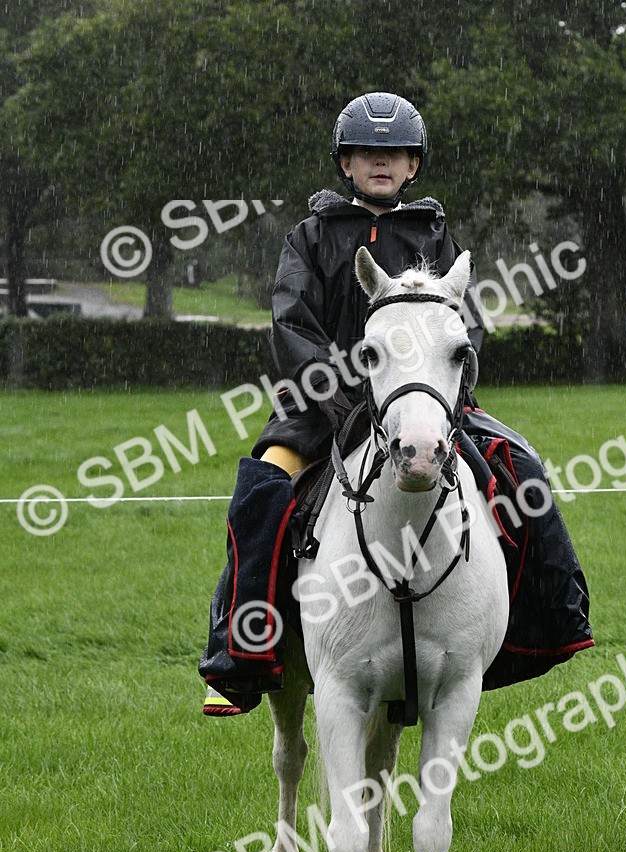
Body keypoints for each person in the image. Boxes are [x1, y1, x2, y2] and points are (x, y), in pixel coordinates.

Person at [199, 91, 592, 715]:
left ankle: (539, 623)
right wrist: (334, 393)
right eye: (366, 153)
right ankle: (242, 647)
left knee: (524, 470)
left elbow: (465, 323)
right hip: (322, 408)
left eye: (395, 154)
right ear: (345, 163)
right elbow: (291, 323)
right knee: (261, 493)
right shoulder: (310, 237)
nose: (380, 162)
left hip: (426, 407)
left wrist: (444, 392)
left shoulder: (434, 235)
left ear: (413, 166)